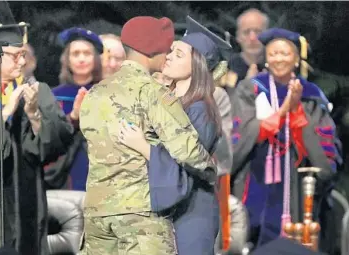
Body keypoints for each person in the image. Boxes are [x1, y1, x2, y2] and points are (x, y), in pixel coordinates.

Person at [79, 16, 218, 255]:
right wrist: (209, 169)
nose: (167, 56)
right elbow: (188, 150)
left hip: (97, 212)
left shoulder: (95, 93)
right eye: (166, 50)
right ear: (152, 52)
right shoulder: (154, 93)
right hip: (139, 217)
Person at [0, 24, 74, 255]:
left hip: (29, 205)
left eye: (24, 55)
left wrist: (34, 116)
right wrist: (6, 113)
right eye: (16, 55)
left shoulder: (37, 92)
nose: (22, 62)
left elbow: (55, 148)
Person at [118, 16, 233, 255]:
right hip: (163, 210)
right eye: (170, 51)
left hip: (190, 212)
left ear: (198, 65)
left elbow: (188, 164)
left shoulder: (200, 109)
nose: (168, 56)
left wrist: (143, 146)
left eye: (178, 54)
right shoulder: (165, 102)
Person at [230, 28, 342, 249]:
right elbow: (238, 137)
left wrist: (297, 109)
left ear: (297, 58)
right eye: (273, 54)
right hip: (255, 178)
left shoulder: (311, 95)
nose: (278, 59)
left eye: (285, 53)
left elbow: (325, 159)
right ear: (266, 59)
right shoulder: (250, 89)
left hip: (298, 185)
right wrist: (282, 113)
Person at [44, 27, 102, 190]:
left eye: (87, 53)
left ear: (96, 59)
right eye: (75, 54)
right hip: (65, 171)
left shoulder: (108, 92)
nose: (81, 59)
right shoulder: (54, 96)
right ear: (67, 59)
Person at [228, 8, 269, 86]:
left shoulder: (277, 64)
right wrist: (248, 85)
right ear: (238, 36)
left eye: (258, 32)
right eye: (246, 32)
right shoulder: (230, 68)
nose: (252, 38)